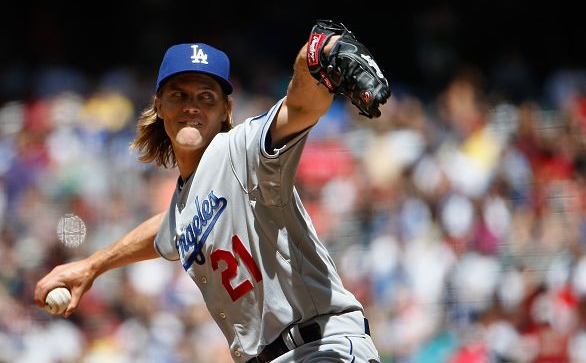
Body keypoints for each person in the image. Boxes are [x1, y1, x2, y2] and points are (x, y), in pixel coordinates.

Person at [35, 22, 385, 362]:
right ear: (159, 105)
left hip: (321, 347)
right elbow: (167, 228)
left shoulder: (240, 149)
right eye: (179, 95)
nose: (192, 107)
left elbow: (301, 107)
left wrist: (313, 55)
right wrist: (91, 266)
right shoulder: (187, 202)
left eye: (206, 97)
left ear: (225, 111)